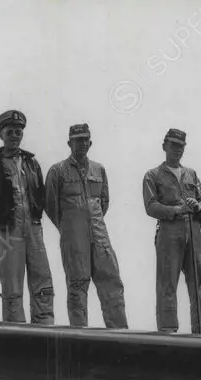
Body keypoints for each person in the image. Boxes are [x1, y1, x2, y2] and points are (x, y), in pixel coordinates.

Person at [45, 123, 127, 328]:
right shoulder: (57, 171)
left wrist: (91, 221)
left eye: (85, 139)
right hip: (74, 239)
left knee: (111, 282)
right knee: (77, 286)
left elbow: (104, 202)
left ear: (90, 142)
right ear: (69, 143)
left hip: (100, 237)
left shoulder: (99, 169)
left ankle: (120, 335)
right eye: (77, 140)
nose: (82, 143)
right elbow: (50, 205)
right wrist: (70, 227)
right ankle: (79, 336)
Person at [0, 110, 55, 324]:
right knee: (11, 284)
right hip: (10, 231)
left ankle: (45, 326)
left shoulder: (32, 163)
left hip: (34, 228)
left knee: (42, 278)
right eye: (10, 132)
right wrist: (1, 224)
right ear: (1, 135)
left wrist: (36, 217)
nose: (14, 135)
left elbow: (40, 191)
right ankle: (15, 332)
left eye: (18, 132)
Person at [142, 128, 201, 334]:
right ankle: (168, 331)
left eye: (181, 146)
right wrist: (176, 210)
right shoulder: (153, 175)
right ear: (164, 146)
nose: (177, 150)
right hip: (169, 231)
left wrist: (198, 206)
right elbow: (151, 206)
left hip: (193, 229)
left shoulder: (191, 173)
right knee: (167, 284)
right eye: (173, 145)